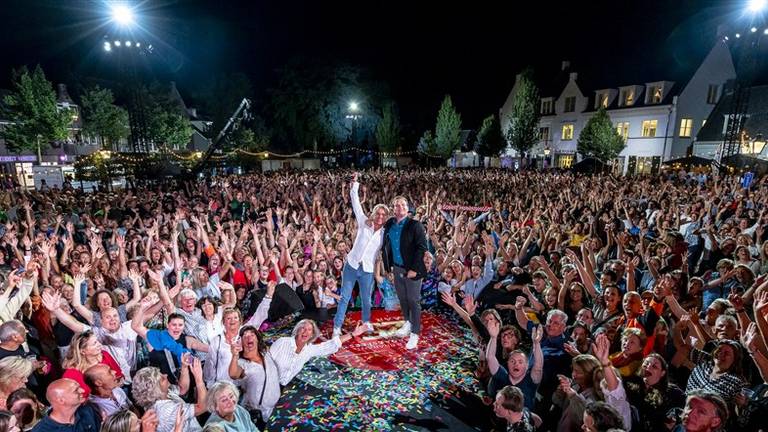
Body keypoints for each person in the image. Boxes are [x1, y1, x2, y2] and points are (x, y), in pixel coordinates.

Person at [332, 173, 389, 338]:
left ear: (386, 217)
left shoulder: (385, 233)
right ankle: (337, 327)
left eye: (383, 215)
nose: (379, 216)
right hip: (351, 265)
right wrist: (355, 184)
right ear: (373, 213)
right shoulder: (364, 221)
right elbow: (355, 201)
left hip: (368, 269)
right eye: (377, 213)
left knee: (366, 300)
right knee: (345, 297)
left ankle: (366, 322)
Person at [382, 195, 428, 350]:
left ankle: (415, 333)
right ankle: (408, 323)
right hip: (397, 268)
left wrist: (414, 269)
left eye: (403, 205)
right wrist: (388, 268)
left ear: (408, 208)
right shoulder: (389, 224)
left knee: (413, 300)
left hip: (413, 269)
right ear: (393, 209)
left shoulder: (415, 225)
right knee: (402, 298)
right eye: (397, 205)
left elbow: (422, 247)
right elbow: (385, 246)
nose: (400, 207)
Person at [270, 319, 366, 386]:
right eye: (303, 328)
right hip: (266, 384)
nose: (305, 332)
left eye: (309, 330)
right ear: (297, 330)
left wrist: (353, 334)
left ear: (312, 335)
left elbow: (330, 345)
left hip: (282, 388)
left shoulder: (309, 350)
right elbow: (265, 362)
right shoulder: (282, 342)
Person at [228, 325, 280, 429]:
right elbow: (233, 374)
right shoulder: (242, 363)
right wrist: (234, 355)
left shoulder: (266, 354)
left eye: (252, 335)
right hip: (257, 415)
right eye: (245, 336)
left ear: (257, 338)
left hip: (275, 410)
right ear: (241, 342)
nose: (249, 338)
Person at [131, 363, 206, 432]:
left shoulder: (164, 393)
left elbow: (182, 389)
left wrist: (184, 367)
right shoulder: (167, 410)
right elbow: (203, 407)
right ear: (156, 390)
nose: (166, 375)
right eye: (162, 379)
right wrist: (199, 379)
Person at [31, 378, 101, 432]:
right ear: (61, 400)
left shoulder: (88, 410)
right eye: (76, 390)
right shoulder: (41, 430)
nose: (82, 390)